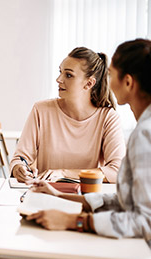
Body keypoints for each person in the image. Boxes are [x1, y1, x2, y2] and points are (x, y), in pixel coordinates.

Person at [27, 39, 151, 247]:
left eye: (111, 75)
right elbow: (126, 202)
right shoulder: (144, 128)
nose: (107, 81)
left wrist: (74, 221)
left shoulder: (145, 134)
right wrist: (60, 196)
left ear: (128, 82)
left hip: (136, 253)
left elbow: (146, 222)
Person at [10, 47, 125, 183]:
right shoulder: (41, 110)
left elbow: (117, 172)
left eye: (68, 75)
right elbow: (19, 159)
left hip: (85, 198)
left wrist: (64, 173)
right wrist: (19, 168)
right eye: (60, 72)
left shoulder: (108, 117)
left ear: (89, 83)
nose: (59, 79)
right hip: (45, 196)